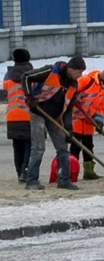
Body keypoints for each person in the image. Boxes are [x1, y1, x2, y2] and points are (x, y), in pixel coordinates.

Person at [21, 56, 86, 190]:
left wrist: (68, 129)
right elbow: (26, 77)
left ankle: (64, 180)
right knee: (38, 148)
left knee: (62, 148)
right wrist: (29, 97)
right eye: (79, 72)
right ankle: (32, 181)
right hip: (38, 112)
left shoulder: (73, 86)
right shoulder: (50, 71)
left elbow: (69, 109)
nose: (80, 75)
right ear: (71, 68)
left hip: (55, 117)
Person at [70, 65, 104, 179]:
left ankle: (89, 172)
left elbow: (101, 108)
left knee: (89, 146)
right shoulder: (87, 81)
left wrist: (99, 122)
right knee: (75, 147)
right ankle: (71, 172)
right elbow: (72, 89)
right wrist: (74, 98)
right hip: (75, 118)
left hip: (88, 121)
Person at [4, 49, 34, 182]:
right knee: (29, 145)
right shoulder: (33, 75)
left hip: (12, 117)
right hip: (28, 116)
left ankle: (18, 172)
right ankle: (25, 170)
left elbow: (5, 87)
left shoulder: (8, 76)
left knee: (17, 146)